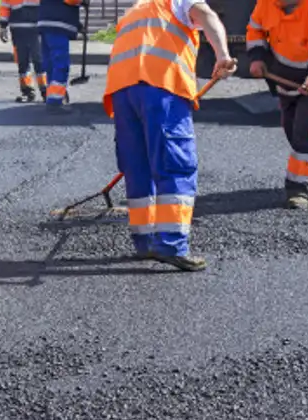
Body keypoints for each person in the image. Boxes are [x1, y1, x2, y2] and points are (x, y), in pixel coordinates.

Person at [101, 0, 237, 272]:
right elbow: (207, 16)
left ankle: (144, 241)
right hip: (161, 87)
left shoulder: (135, 10)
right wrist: (222, 54)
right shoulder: (177, 1)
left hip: (123, 92)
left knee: (137, 167)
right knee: (175, 164)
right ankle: (172, 244)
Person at [246, 0, 308, 210]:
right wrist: (257, 58)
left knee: (305, 133)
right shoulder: (267, 3)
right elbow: (255, 28)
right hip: (284, 80)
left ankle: (298, 188)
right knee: (292, 130)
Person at [37, 0, 84, 113]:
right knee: (60, 63)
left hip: (45, 21)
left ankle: (52, 96)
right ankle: (55, 100)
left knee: (51, 64)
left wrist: (77, 24)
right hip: (58, 24)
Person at [0, 0, 48, 102]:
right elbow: (5, 6)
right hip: (19, 29)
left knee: (40, 60)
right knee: (23, 61)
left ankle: (45, 91)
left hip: (36, 28)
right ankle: (28, 91)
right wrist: (3, 26)